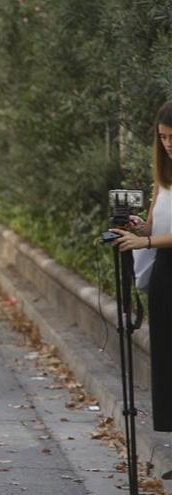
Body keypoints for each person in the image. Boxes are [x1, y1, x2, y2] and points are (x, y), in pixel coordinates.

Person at [110, 100, 172, 433]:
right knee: (165, 358)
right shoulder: (163, 178)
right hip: (164, 275)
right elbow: (154, 226)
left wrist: (145, 242)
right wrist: (137, 229)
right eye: (163, 138)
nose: (168, 144)